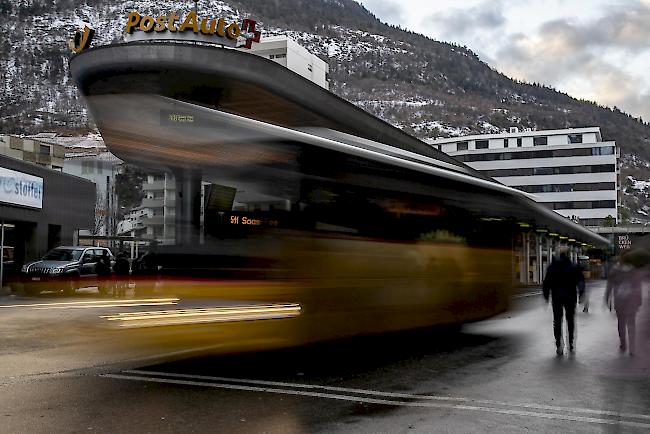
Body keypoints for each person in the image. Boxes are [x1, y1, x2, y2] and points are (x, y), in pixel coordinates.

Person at [543, 248, 585, 356]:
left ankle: (559, 345)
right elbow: (580, 281)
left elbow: (546, 283)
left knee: (557, 321)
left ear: (558, 255)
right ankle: (570, 343)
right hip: (570, 298)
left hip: (557, 298)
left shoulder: (552, 267)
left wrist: (546, 296)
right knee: (570, 320)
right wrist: (581, 294)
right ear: (568, 255)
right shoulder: (574, 266)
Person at [604, 254, 644, 356]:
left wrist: (607, 298)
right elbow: (638, 286)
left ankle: (623, 344)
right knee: (631, 324)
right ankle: (632, 348)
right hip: (632, 301)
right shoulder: (634, 271)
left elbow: (609, 286)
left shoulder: (614, 270)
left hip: (619, 301)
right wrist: (639, 300)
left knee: (621, 324)